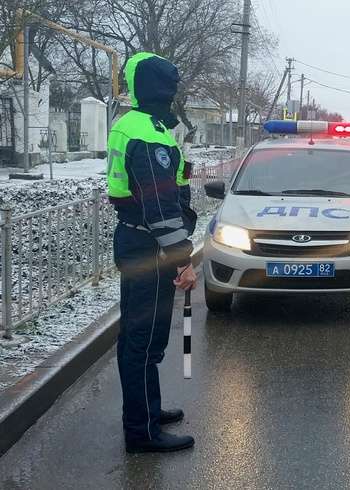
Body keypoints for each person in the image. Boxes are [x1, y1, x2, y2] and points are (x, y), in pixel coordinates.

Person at [107, 52, 198, 453]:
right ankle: (142, 431)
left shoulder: (139, 125)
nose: (175, 92)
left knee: (139, 337)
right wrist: (184, 260)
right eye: (172, 86)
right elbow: (160, 209)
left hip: (139, 240)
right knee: (143, 341)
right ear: (159, 88)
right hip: (151, 247)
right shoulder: (147, 134)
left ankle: (144, 409)